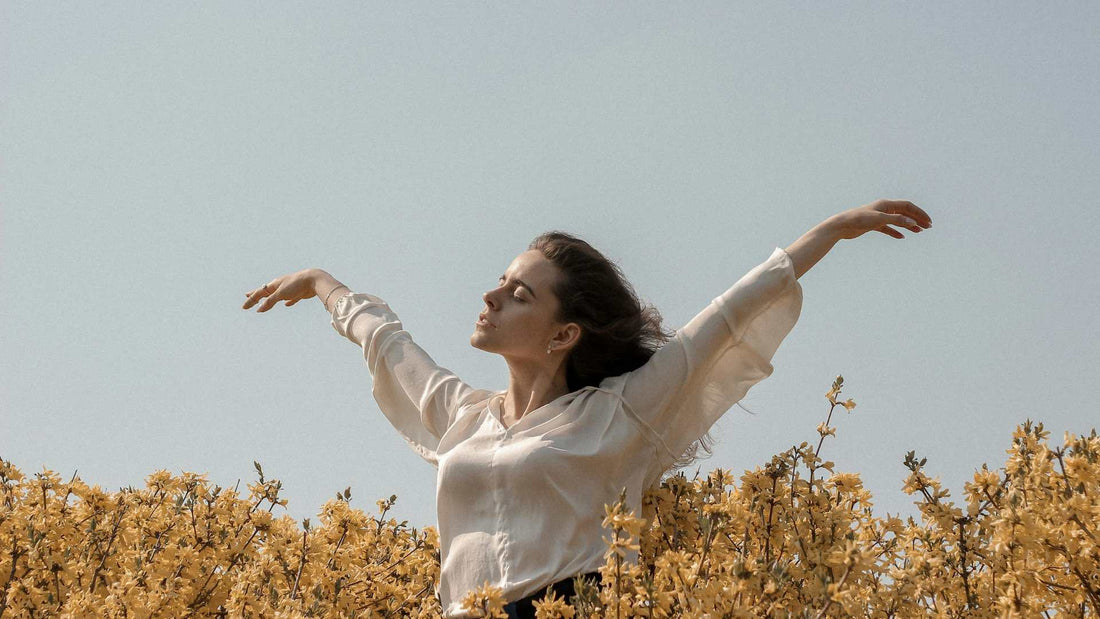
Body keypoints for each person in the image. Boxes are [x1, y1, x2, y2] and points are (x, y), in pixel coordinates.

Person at [242, 199, 932, 618]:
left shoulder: (618, 413)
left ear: (564, 333)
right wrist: (322, 283)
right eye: (501, 282)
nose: (491, 296)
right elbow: (389, 343)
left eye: (519, 294)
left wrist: (832, 231)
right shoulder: (464, 416)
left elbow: (723, 320)